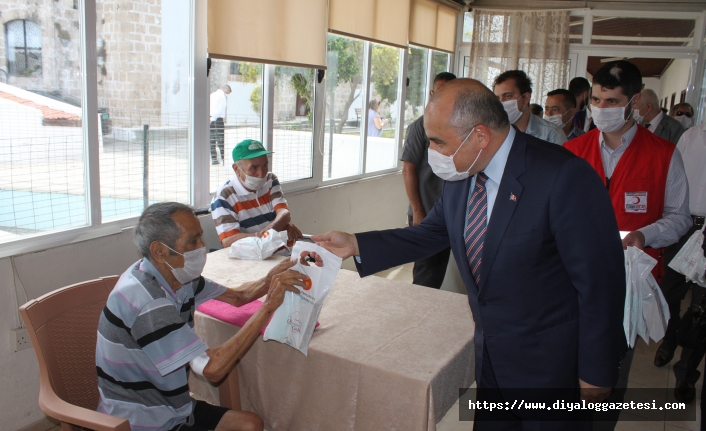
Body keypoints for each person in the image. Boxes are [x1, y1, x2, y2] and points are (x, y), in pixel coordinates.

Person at [311, 78, 626, 429]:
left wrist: (596, 376)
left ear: (479, 136)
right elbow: (431, 233)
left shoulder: (563, 177)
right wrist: (357, 243)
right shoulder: (463, 174)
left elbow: (601, 286)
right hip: (492, 356)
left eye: (438, 142)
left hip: (550, 366)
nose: (431, 154)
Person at [96, 202, 309, 431]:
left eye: (201, 238)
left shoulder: (177, 278)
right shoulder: (147, 301)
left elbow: (238, 297)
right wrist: (268, 306)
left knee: (250, 424)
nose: (202, 247)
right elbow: (213, 369)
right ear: (159, 251)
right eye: (193, 241)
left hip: (174, 408)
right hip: (140, 421)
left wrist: (269, 280)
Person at [563, 60, 692, 430]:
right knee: (568, 361)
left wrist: (644, 235)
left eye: (612, 102)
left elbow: (679, 217)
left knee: (612, 364)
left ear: (634, 102)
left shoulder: (664, 154)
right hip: (574, 276)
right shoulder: (573, 150)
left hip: (630, 278)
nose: (602, 110)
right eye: (597, 101)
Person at [654, 120, 706, 403]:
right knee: (670, 292)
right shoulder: (691, 136)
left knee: (701, 307)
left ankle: (687, 371)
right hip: (686, 227)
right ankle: (670, 339)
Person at [401, 71, 456, 289]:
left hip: (452, 212)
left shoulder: (460, 126)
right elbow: (408, 170)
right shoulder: (420, 127)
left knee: (445, 270)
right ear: (432, 93)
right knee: (426, 276)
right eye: (440, 91)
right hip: (427, 212)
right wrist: (418, 211)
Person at [211, 139, 303, 248]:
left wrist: (272, 230)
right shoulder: (224, 197)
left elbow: (284, 213)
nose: (261, 173)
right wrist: (268, 233)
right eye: (254, 167)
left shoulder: (270, 180)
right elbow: (229, 241)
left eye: (265, 165)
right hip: (256, 258)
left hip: (285, 251)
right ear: (236, 169)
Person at [492, 70, 567, 145]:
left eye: (508, 96)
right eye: (497, 98)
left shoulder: (551, 133)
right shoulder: (492, 131)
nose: (501, 103)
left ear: (525, 98)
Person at [210, 85, 231, 165]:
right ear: (225, 89)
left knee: (211, 140)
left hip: (210, 119)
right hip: (217, 119)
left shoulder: (212, 95)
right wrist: (214, 118)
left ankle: (214, 159)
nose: (227, 94)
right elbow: (221, 108)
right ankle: (223, 158)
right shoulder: (222, 96)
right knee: (220, 139)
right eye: (228, 92)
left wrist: (211, 118)